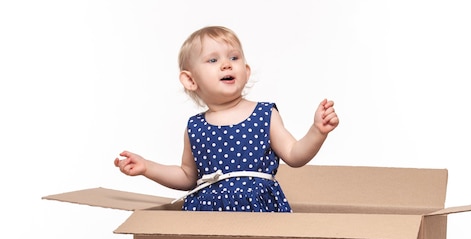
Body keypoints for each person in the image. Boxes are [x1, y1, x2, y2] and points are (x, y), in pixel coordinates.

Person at [114, 25, 339, 212]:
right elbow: (187, 177)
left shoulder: (264, 115)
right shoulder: (196, 127)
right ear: (190, 80)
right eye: (212, 60)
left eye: (234, 57)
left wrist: (317, 132)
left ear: (246, 71)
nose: (226, 64)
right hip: (208, 215)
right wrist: (147, 167)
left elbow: (294, 154)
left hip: (259, 211)